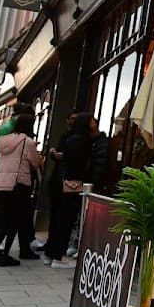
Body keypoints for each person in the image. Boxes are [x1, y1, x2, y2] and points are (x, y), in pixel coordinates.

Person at [0, 113, 42, 267]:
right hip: (17, 185)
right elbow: (35, 163)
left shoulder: (3, 140)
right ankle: (4, 256)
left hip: (1, 184)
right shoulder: (27, 142)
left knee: (0, 220)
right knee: (13, 222)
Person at [44, 112, 92, 269]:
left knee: (57, 219)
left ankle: (52, 254)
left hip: (60, 183)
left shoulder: (69, 137)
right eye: (91, 120)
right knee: (66, 219)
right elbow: (78, 163)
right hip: (72, 184)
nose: (94, 123)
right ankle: (59, 256)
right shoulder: (83, 140)